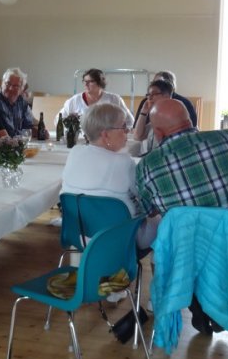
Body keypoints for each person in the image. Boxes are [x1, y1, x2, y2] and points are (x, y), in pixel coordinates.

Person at [136, 99, 228, 334]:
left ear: (158, 132)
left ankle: (202, 305)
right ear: (190, 121)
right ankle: (220, 304)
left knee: (189, 251)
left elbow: (150, 211)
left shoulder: (147, 166)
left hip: (186, 256)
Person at [62, 102, 158, 250]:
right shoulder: (123, 163)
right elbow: (145, 197)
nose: (127, 131)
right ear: (105, 134)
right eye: (123, 127)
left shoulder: (74, 153)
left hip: (80, 237)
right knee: (164, 218)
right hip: (121, 240)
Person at [58, 68, 135, 129]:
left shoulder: (114, 99)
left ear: (100, 83)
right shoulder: (74, 100)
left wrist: (119, 131)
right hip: (80, 139)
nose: (86, 84)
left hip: (106, 139)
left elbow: (130, 121)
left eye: (90, 81)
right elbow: (59, 120)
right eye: (84, 81)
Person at [134, 70, 198, 128]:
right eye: (154, 83)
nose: (150, 97)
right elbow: (136, 130)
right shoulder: (146, 101)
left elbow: (192, 126)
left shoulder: (184, 102)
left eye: (160, 83)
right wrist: (143, 113)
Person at [0, 67, 36, 138]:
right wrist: (27, 133)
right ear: (2, 84)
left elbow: (29, 126)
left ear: (21, 89)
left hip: (16, 143)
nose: (11, 88)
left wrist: (39, 131)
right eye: (8, 84)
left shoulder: (21, 102)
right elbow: (8, 133)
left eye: (16, 86)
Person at [131, 78, 177, 156]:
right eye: (148, 95)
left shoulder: (174, 119)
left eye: (153, 94)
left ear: (166, 96)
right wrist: (143, 112)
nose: (149, 98)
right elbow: (137, 136)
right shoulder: (156, 119)